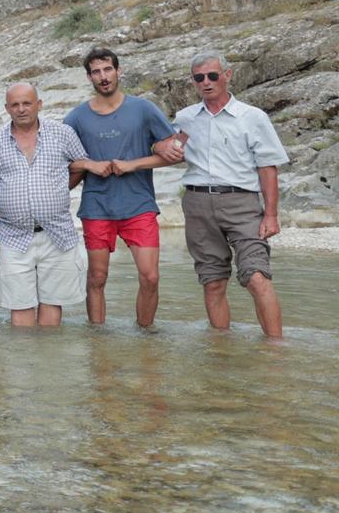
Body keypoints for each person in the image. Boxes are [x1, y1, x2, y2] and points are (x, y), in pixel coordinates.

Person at [166, 51, 289, 339]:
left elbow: (268, 168)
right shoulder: (185, 118)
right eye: (199, 78)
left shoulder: (252, 117)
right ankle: (222, 352)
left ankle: (276, 351)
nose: (206, 83)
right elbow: (171, 148)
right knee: (212, 281)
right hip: (196, 204)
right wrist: (163, 147)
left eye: (212, 75)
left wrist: (271, 214)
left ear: (227, 75)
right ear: (193, 81)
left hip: (242, 203)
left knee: (256, 277)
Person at [0, 82, 103, 327]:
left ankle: (48, 363)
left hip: (57, 234)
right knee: (19, 306)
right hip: (13, 236)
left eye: (27, 103)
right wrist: (5, 193)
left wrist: (59, 189)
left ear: (39, 105)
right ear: (7, 108)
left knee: (52, 304)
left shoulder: (63, 133)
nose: (21, 109)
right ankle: (24, 364)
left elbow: (81, 165)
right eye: (15, 104)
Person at [63, 47, 177, 328]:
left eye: (108, 69)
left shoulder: (143, 108)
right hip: (97, 206)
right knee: (97, 278)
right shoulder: (76, 118)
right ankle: (98, 342)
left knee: (150, 276)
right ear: (89, 77)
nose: (103, 77)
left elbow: (174, 153)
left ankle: (145, 336)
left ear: (118, 71)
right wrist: (89, 164)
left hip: (138, 204)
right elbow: (64, 166)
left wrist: (132, 164)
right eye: (96, 72)